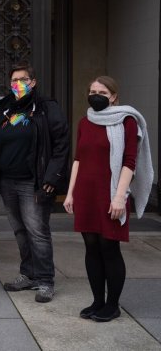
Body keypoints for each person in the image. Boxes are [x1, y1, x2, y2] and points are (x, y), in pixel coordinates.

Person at [63, 76, 153, 322]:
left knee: (108, 248)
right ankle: (97, 302)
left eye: (102, 91)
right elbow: (78, 160)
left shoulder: (127, 122)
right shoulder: (85, 121)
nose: (95, 94)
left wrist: (119, 197)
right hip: (85, 192)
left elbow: (129, 162)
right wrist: (70, 193)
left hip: (111, 193)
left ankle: (112, 306)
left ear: (113, 96)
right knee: (91, 247)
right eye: (92, 90)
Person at [0, 62, 69, 303]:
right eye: (13, 80)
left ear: (33, 82)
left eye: (22, 80)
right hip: (7, 181)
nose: (17, 84)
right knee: (20, 230)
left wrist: (52, 177)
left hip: (34, 182)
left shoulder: (46, 108)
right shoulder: (4, 108)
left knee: (37, 231)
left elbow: (61, 144)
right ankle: (28, 273)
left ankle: (45, 280)